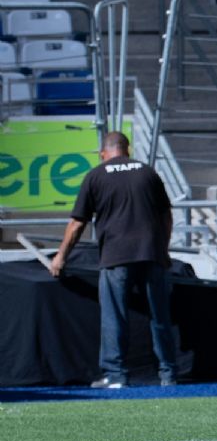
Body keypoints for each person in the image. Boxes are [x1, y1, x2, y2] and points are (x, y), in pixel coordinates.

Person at [48, 131, 178, 388]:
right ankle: (169, 374)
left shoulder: (95, 176)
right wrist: (163, 248)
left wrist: (61, 256)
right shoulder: (147, 172)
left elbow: (77, 224)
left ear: (103, 153)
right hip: (152, 253)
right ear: (127, 150)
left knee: (115, 317)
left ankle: (116, 375)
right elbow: (166, 216)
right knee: (160, 316)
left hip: (116, 256)